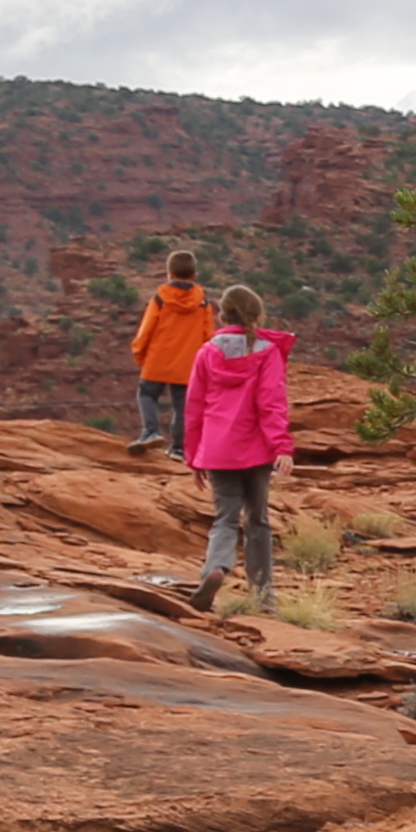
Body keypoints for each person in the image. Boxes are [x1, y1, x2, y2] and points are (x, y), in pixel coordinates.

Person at [182, 285, 296, 612]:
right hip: (258, 450)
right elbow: (271, 403)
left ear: (223, 314)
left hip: (218, 449)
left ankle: (215, 569)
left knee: (225, 519)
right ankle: (262, 595)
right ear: (257, 315)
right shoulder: (267, 352)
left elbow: (194, 407)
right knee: (257, 520)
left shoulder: (207, 352)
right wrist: (282, 447)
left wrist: (193, 456)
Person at [125, 252, 217, 450]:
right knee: (183, 405)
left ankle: (151, 431)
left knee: (147, 394)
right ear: (194, 274)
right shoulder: (203, 303)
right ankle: (178, 448)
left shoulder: (160, 299)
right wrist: (206, 365)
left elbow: (146, 329)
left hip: (158, 357)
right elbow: (209, 336)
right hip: (188, 362)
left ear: (169, 273)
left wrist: (139, 353)